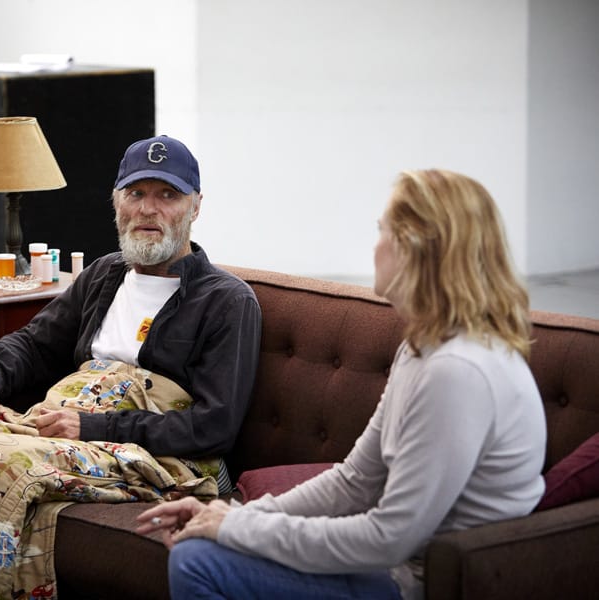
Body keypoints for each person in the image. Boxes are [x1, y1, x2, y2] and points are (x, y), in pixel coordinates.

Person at [136, 169, 547, 600]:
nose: (375, 245)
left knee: (197, 561)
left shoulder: (458, 372)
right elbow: (355, 480)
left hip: (413, 581)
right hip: (393, 565)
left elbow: (390, 537)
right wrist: (230, 513)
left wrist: (238, 527)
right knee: (205, 543)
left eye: (381, 230)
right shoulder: (425, 347)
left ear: (412, 246)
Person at [0, 134, 263, 494]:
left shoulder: (227, 301)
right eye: (135, 193)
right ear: (116, 200)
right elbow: (34, 345)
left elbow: (213, 427)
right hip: (62, 433)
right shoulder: (105, 274)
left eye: (167, 195)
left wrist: (94, 428)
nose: (147, 209)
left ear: (196, 207)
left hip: (150, 456)